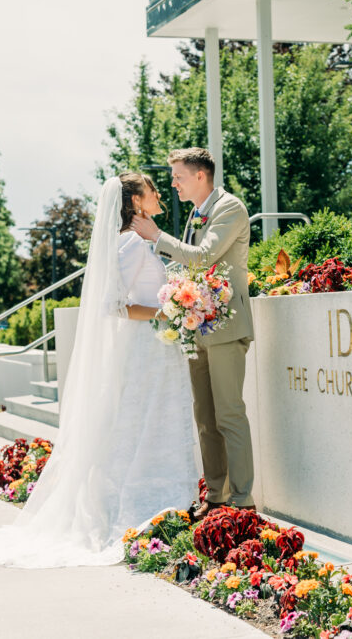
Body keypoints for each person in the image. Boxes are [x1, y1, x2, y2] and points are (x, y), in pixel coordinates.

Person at [0, 174, 199, 567]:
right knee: (140, 425)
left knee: (154, 423)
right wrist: (167, 311)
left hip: (156, 346)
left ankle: (173, 500)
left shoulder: (141, 239)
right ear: (134, 201)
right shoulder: (131, 241)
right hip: (146, 346)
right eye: (152, 189)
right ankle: (144, 505)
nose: (159, 194)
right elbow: (111, 304)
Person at [130, 147, 255, 518]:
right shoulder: (195, 214)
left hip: (227, 326)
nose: (173, 183)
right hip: (196, 326)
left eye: (179, 177)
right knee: (204, 416)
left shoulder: (230, 208)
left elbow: (203, 256)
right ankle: (216, 496)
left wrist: (157, 236)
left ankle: (243, 500)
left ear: (201, 175)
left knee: (229, 414)